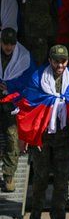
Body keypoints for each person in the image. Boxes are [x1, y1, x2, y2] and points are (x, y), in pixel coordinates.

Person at [28, 45, 69, 219]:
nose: (60, 65)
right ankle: (36, 210)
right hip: (43, 135)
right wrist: (33, 137)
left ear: (67, 61)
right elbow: (31, 106)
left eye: (63, 61)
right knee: (41, 176)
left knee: (62, 180)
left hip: (63, 136)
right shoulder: (38, 78)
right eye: (56, 61)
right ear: (50, 60)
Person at [0, 28, 34, 192]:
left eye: (11, 44)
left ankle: (9, 176)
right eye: (5, 43)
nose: (8, 47)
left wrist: (9, 86)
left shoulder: (24, 57)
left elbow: (30, 81)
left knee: (12, 139)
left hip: (11, 104)